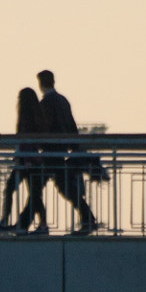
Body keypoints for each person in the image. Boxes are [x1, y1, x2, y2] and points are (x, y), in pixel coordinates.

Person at [32, 69, 97, 234]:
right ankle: (88, 219)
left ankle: (40, 224)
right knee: (65, 187)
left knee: (37, 187)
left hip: (49, 153)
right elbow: (71, 125)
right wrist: (75, 148)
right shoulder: (63, 100)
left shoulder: (46, 103)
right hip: (62, 151)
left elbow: (43, 128)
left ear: (40, 84)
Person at [0, 87, 45, 233]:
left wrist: (23, 158)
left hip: (26, 161)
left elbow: (26, 140)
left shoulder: (26, 117)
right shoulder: (35, 116)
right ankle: (43, 224)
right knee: (34, 194)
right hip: (31, 160)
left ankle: (5, 221)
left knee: (11, 189)